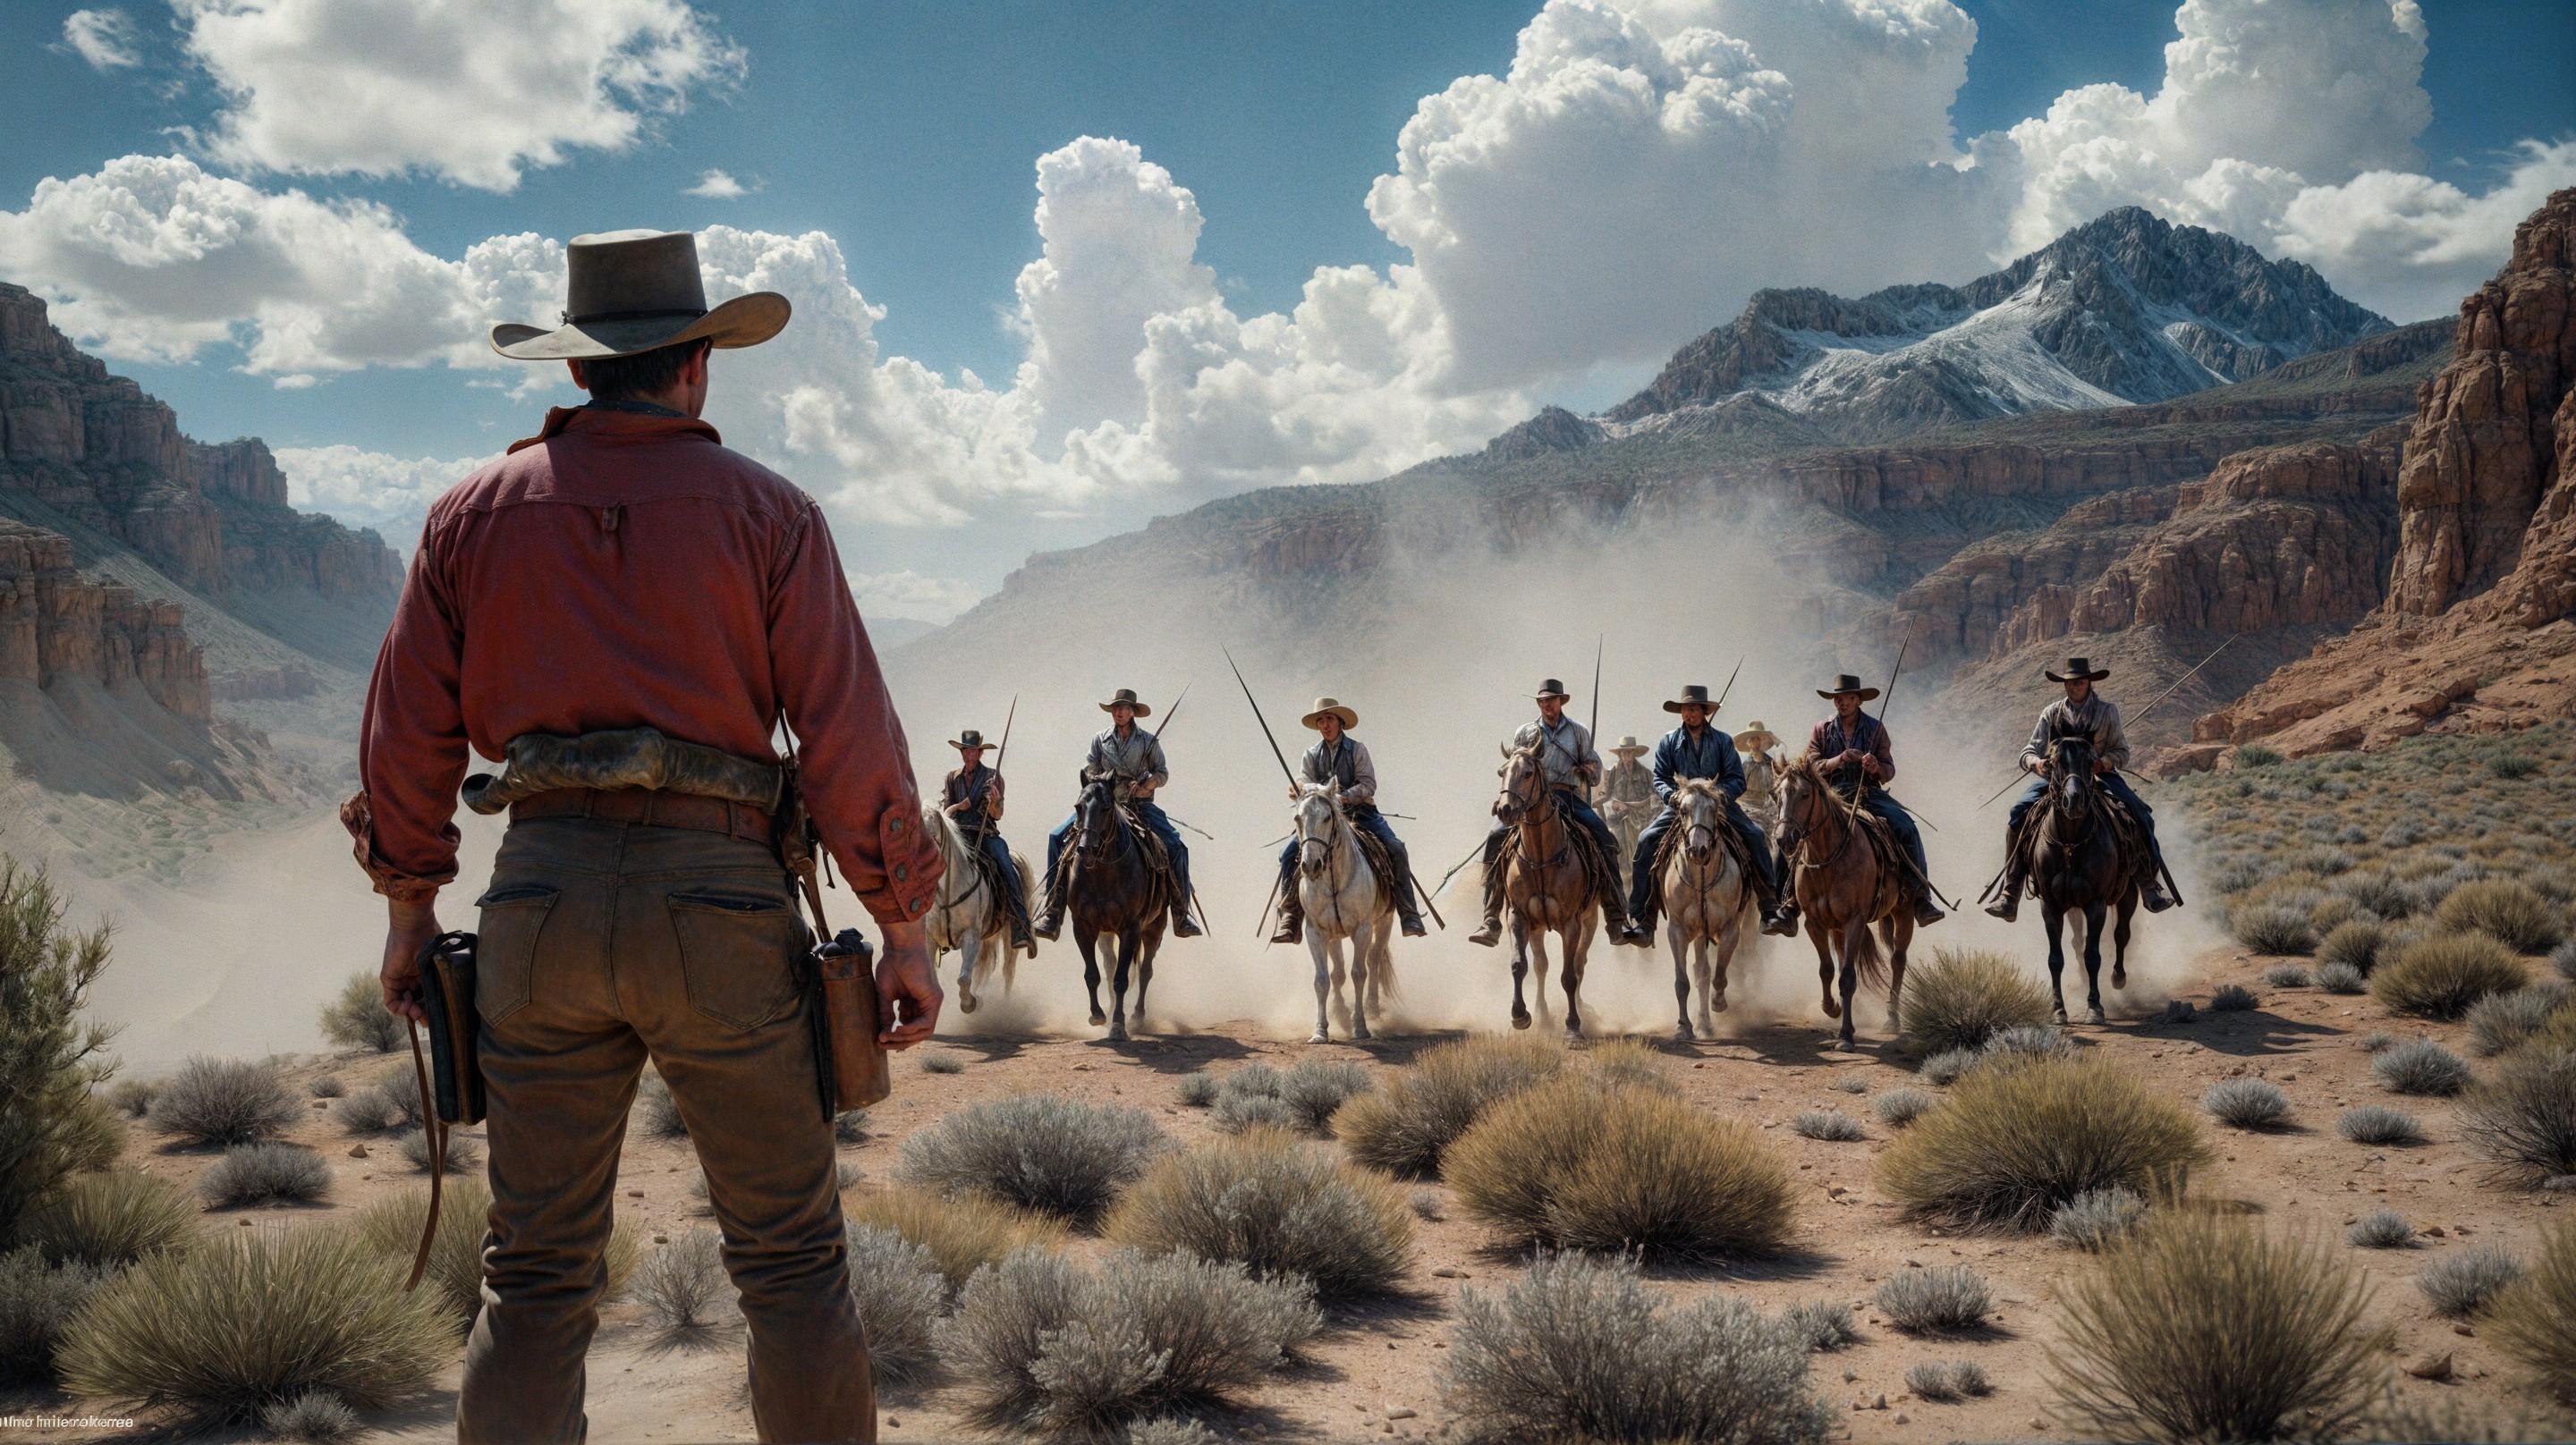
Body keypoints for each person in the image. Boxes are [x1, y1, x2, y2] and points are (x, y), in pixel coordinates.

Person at [350, 229, 943, 1444]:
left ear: (577, 374)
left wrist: (411, 913)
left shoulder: (468, 515)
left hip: (540, 905)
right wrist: (904, 930)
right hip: (720, 903)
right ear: (698, 366)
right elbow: (845, 736)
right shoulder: (771, 512)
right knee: (788, 1265)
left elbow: (407, 736)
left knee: (533, 1273)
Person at [1985, 657, 2175, 920]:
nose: (2076, 686)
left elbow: (2122, 751)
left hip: (2100, 776)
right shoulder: (2051, 713)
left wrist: (2105, 762)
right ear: (2065, 685)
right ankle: (2010, 892)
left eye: (2081, 682)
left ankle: (2149, 885)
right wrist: (2036, 763)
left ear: (2089, 682)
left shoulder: (2108, 711)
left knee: (2139, 813)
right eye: (2071, 682)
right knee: (2018, 814)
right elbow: (2029, 750)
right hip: (2058, 778)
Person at [1619, 684, 1799, 942]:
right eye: (1685, 709)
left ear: (1703, 711)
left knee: (1756, 835)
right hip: (1682, 808)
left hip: (1718, 807)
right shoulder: (1669, 741)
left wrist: (1717, 797)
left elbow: (1737, 779)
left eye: (1693, 709)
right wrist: (1673, 795)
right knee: (1646, 840)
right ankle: (1643, 920)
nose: (1689, 714)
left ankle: (1769, 909)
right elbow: (1659, 778)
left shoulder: (1723, 741)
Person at [1467, 678, 1636, 947]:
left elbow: (1594, 767)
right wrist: (1506, 797)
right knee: (1495, 838)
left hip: (1568, 796)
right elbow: (1513, 768)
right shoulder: (1525, 732)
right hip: (1529, 800)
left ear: (1560, 701)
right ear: (1539, 704)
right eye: (1543, 701)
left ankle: (1617, 920)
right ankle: (1490, 920)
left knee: (1606, 840)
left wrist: (1589, 770)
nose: (1547, 705)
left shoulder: (1578, 732)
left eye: (1551, 700)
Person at [1034, 689, 1202, 939]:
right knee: (1056, 837)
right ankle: (1052, 912)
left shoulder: (1148, 742)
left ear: (1133, 711)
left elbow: (1162, 773)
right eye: (1115, 708)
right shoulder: (1100, 740)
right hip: (1103, 806)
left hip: (1139, 807)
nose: (1118, 712)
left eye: (1123, 708)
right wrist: (1104, 782)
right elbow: (1090, 766)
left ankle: (1181, 914)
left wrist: (1147, 784)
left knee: (1177, 846)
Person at [1269, 697, 1427, 942]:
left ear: (1340, 722)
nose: (1325, 724)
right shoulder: (1310, 755)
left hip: (1361, 814)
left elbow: (1368, 784)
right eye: (1320, 721)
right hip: (1322, 820)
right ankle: (1290, 916)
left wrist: (1342, 798)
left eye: (1329, 719)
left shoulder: (1357, 750)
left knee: (1396, 848)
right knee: (1288, 854)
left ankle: (1409, 913)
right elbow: (1307, 783)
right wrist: (1299, 788)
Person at [1802, 672, 1945, 927]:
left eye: (1847, 698)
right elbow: (1810, 765)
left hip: (1867, 794)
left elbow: (1889, 770)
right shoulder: (1821, 730)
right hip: (1831, 798)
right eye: (1837, 699)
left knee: (1906, 827)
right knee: (1796, 830)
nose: (1841, 703)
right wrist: (1840, 759)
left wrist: (1875, 766)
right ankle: (1786, 903)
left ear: (1858, 699)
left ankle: (1920, 897)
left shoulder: (1875, 729)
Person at [943, 728, 1036, 952]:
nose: (969, 756)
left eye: (973, 752)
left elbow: (998, 815)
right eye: (965, 751)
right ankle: (933, 921)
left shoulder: (993, 777)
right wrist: (960, 807)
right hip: (958, 836)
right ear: (962, 752)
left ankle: (1020, 924)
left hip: (985, 835)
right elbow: (945, 812)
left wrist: (995, 802)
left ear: (980, 753)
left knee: (1007, 867)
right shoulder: (952, 777)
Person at [1597, 735, 1655, 871]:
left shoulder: (1645, 773)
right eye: (1623, 753)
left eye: (1629, 753)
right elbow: (1607, 794)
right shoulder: (1613, 772)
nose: (1626, 757)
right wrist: (1608, 804)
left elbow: (1653, 797)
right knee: (1612, 843)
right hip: (1618, 817)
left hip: (1641, 817)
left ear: (1634, 754)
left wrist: (1633, 806)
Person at [1733, 719, 1784, 831]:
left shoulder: (1769, 762)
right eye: (1752, 739)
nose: (1755, 741)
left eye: (1757, 738)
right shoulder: (1745, 765)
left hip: (1768, 807)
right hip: (1748, 806)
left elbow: (1778, 782)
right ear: (1748, 743)